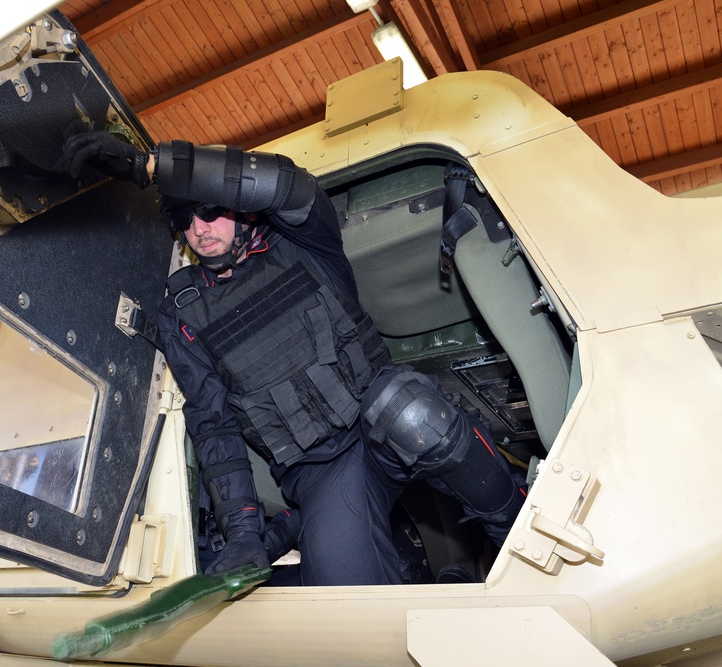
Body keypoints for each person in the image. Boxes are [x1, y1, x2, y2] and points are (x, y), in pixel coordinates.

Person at [62, 131, 526, 586]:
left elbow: (290, 185)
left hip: (381, 418)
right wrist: (242, 533)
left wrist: (153, 167)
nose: (200, 228)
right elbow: (213, 424)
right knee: (345, 595)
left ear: (241, 209)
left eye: (210, 209)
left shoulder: (303, 242)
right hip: (321, 470)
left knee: (410, 410)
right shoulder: (180, 312)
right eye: (185, 218)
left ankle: (514, 522)